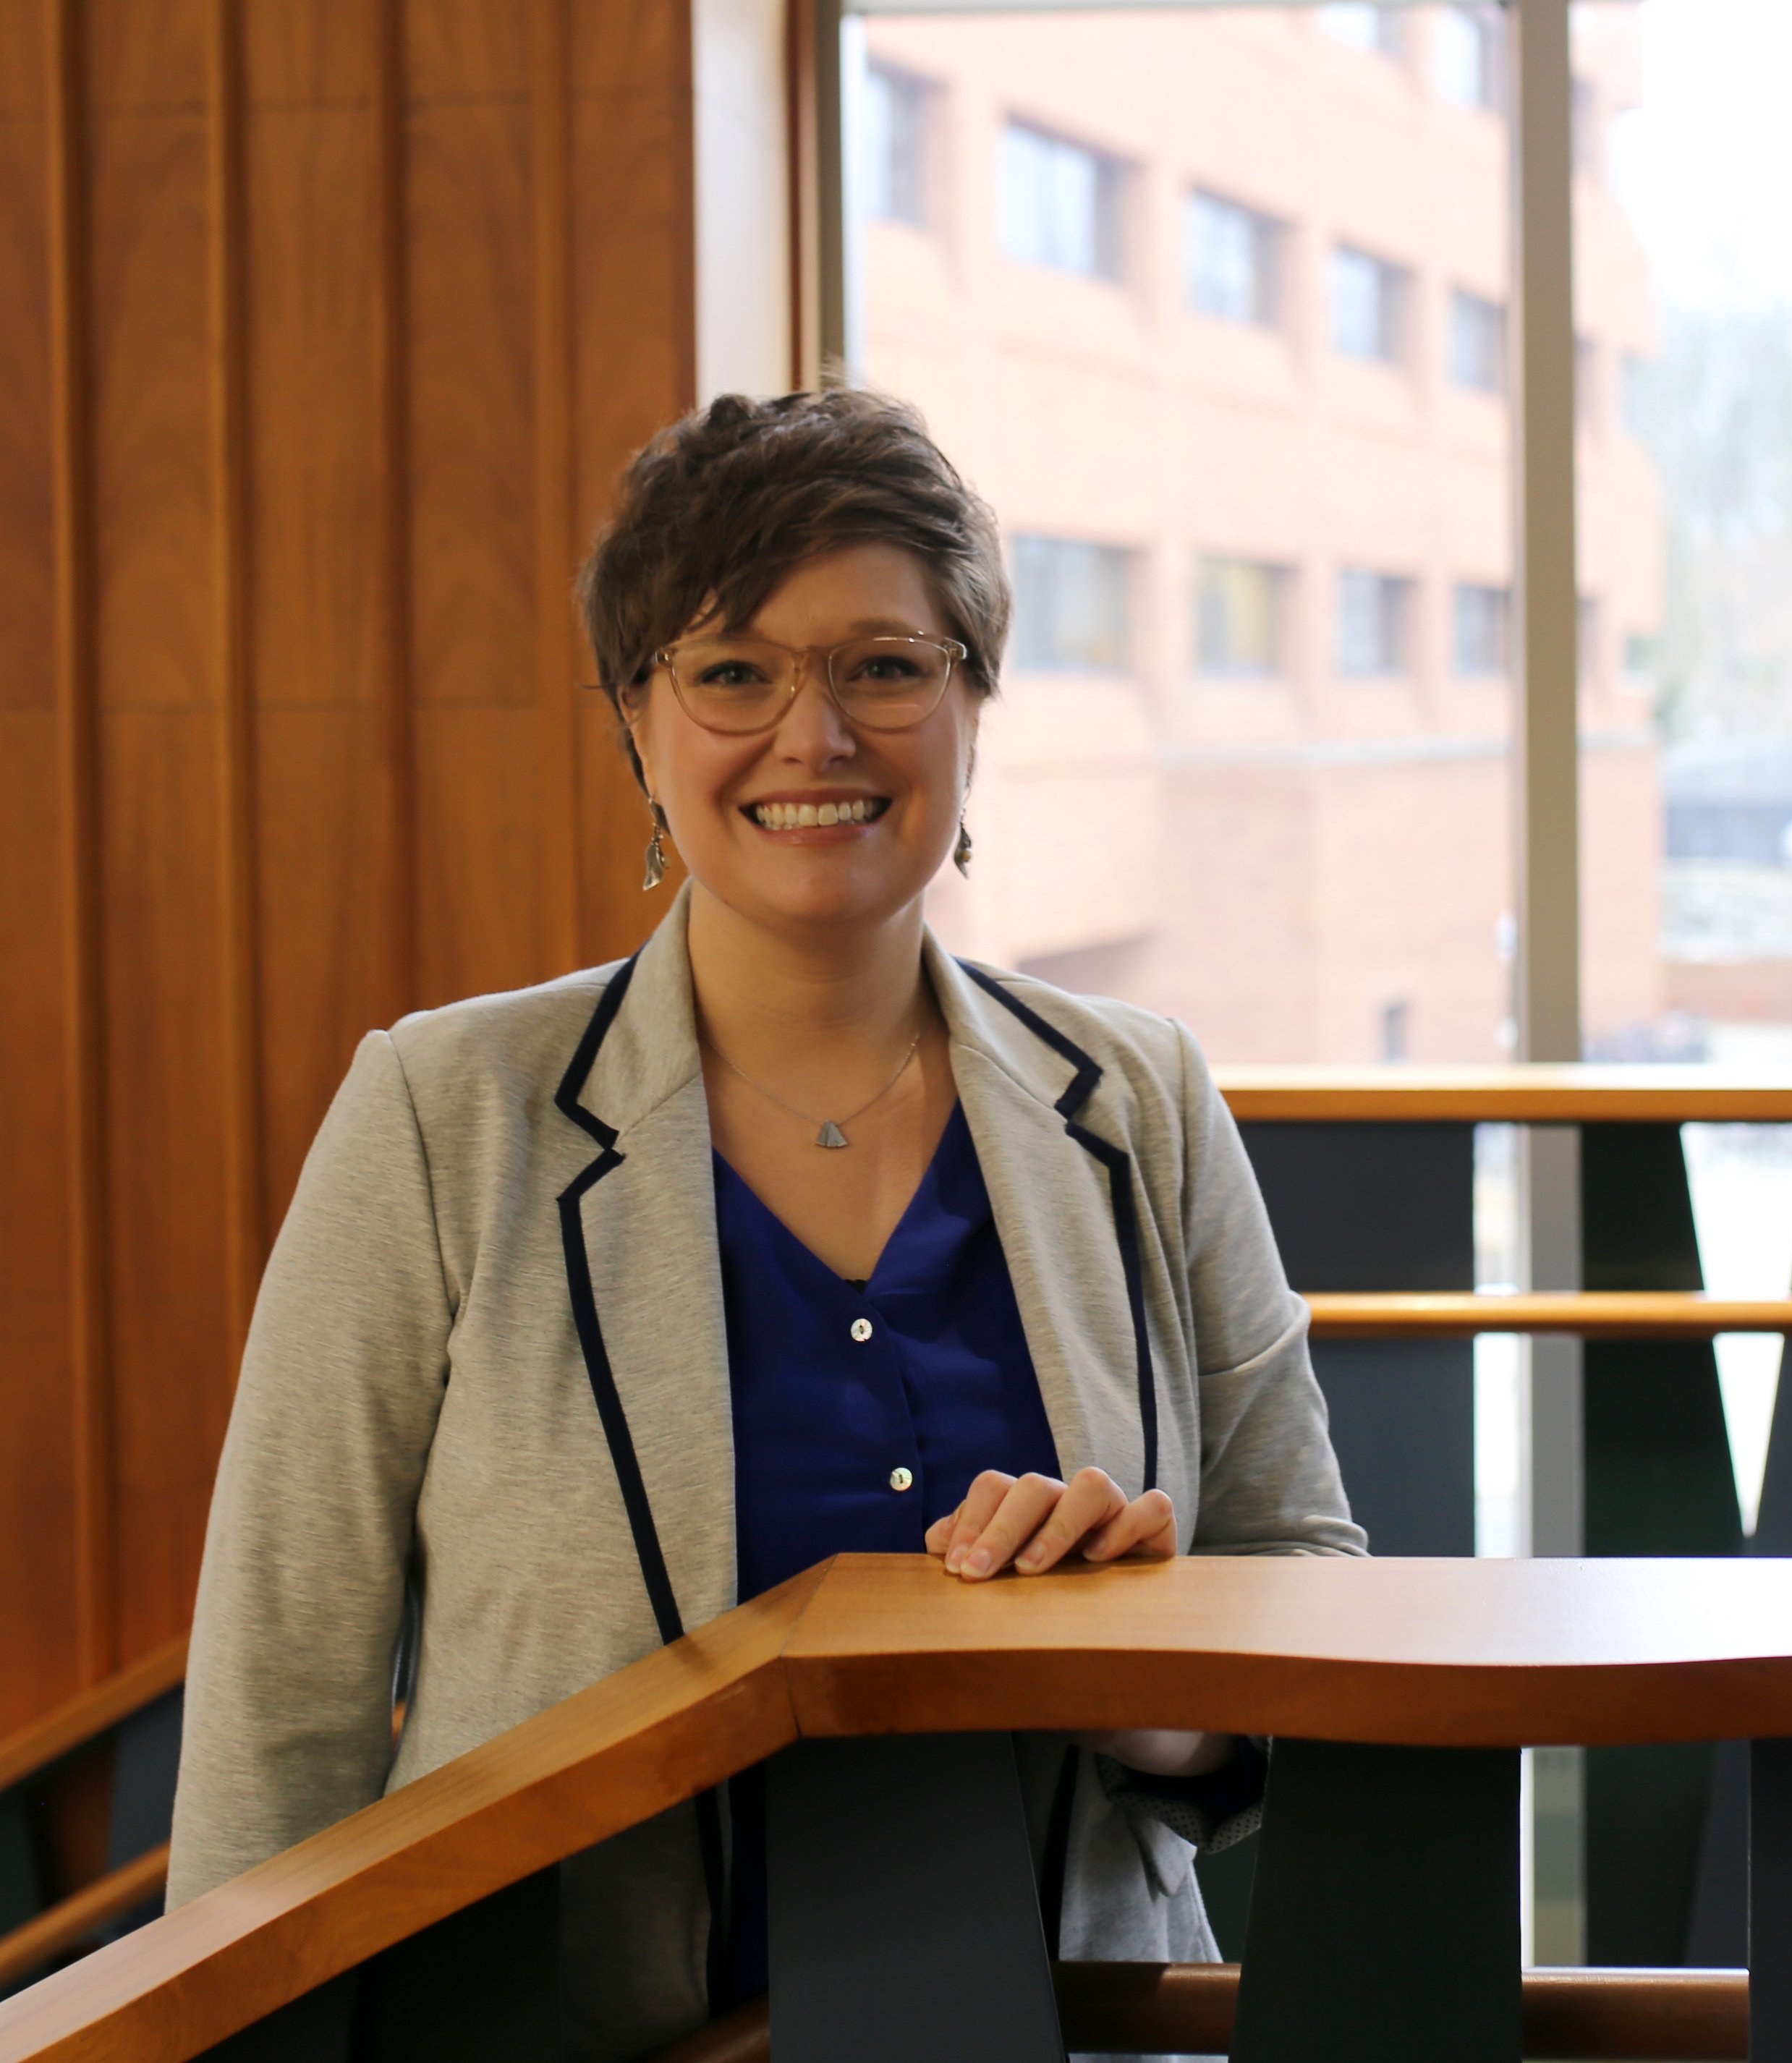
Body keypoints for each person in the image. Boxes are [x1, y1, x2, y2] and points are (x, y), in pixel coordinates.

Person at [166, 388, 1363, 2062]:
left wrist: (1160, 1714)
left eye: (886, 664)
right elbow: (280, 1715)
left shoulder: (1139, 1098)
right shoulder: (445, 1114)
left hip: (1079, 2024)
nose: (816, 736)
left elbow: (1309, 1593)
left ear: (969, 705)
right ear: (635, 724)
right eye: (733, 670)